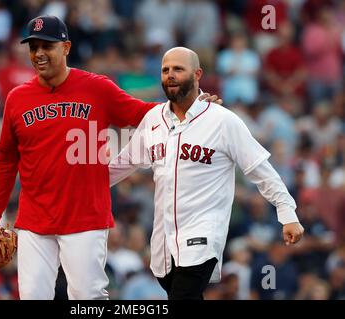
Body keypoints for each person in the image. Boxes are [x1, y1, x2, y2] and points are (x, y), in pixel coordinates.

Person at [0, 15, 221, 300]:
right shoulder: (17, 98)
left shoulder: (96, 88)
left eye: (47, 46)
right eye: (33, 47)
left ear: (66, 47)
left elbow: (141, 113)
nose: (39, 54)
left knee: (88, 298)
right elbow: (7, 159)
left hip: (86, 217)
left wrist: (190, 107)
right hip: (34, 220)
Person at [109, 47, 304, 300]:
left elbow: (260, 169)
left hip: (202, 233)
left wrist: (287, 212)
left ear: (197, 74)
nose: (170, 75)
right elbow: (121, 164)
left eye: (178, 69)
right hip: (163, 239)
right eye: (165, 70)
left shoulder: (223, 121)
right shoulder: (153, 119)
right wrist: (72, 186)